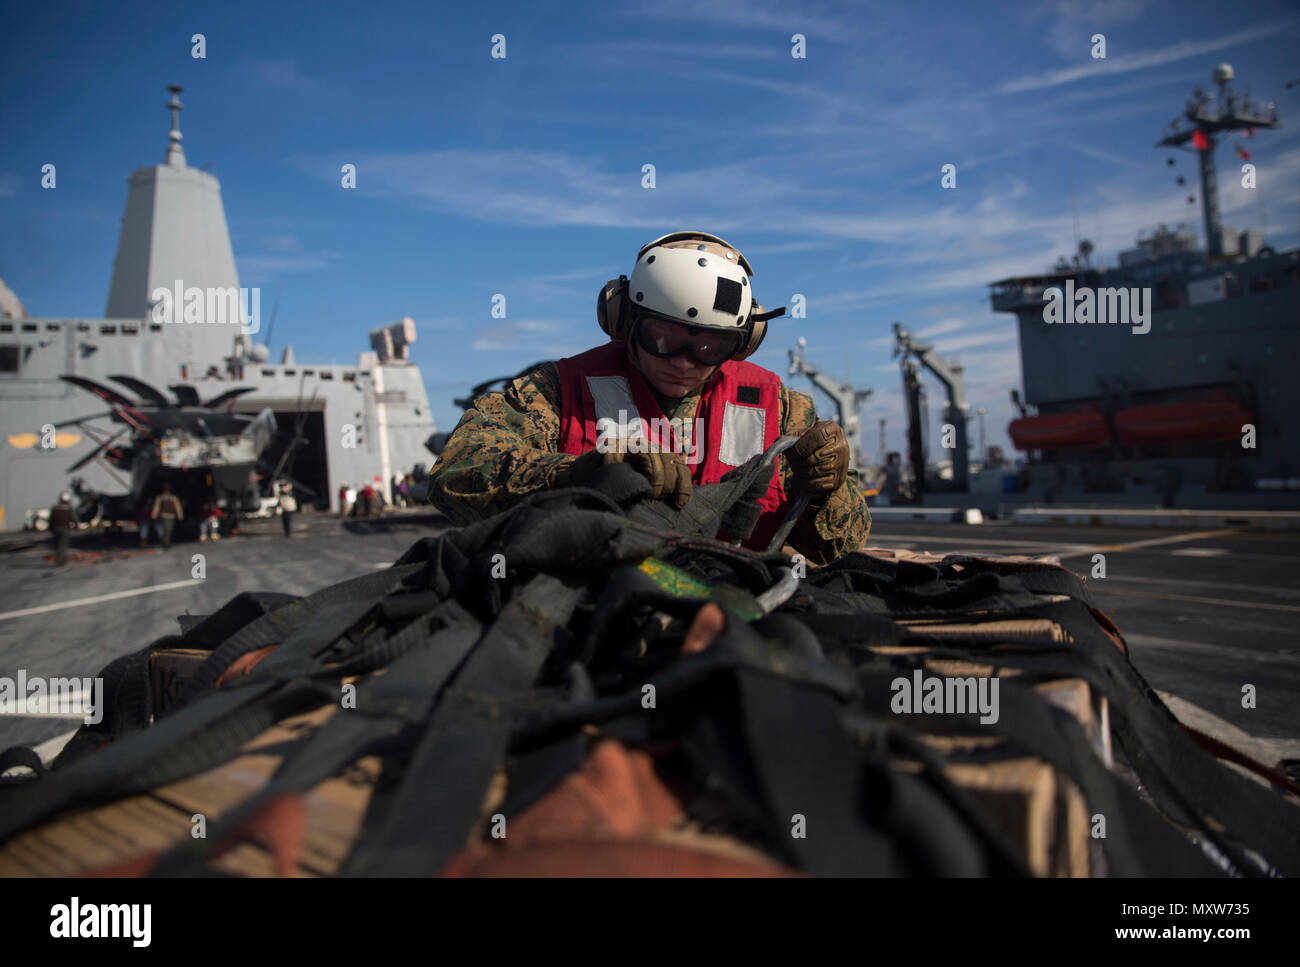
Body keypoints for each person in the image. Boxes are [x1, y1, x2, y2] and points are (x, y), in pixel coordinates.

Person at [428, 231, 870, 564]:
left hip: (737, 605)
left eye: (708, 348)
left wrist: (826, 490)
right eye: (663, 338)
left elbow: (841, 545)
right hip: (598, 598)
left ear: (741, 343)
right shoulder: (558, 390)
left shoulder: (783, 410)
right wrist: (574, 474)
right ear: (624, 319)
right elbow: (456, 472)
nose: (683, 361)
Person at [150, 483, 184, 550]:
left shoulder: (173, 498)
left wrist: (180, 515)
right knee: (165, 530)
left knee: (169, 530)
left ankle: (165, 542)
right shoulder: (160, 497)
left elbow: (178, 507)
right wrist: (154, 514)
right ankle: (166, 543)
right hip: (163, 515)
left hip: (171, 516)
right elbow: (157, 507)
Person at [49, 491, 76, 566]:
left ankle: (58, 560)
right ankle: (61, 561)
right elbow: (74, 518)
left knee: (57, 545)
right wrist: (76, 526)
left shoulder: (55, 507)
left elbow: (51, 519)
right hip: (65, 529)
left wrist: (51, 528)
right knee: (63, 546)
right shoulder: (68, 508)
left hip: (56, 529)